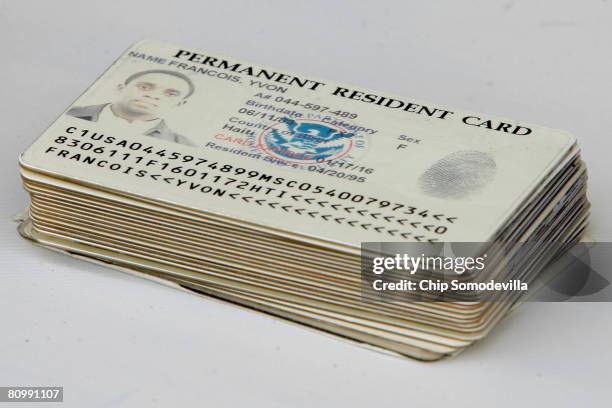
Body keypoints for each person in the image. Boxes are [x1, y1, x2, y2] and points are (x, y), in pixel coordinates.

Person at [67, 69, 197, 146]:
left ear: (179, 104)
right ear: (120, 88)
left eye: (171, 94)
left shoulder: (183, 145)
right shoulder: (68, 114)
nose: (153, 95)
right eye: (144, 87)